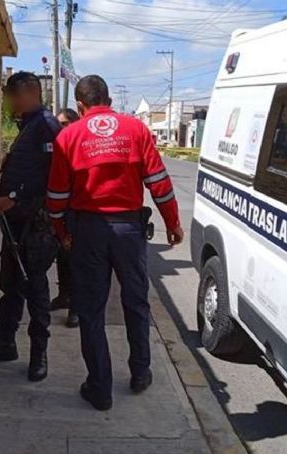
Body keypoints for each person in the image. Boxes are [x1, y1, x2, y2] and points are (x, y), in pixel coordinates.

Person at [45, 75, 185, 411]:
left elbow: (56, 196)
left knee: (90, 310)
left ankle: (100, 388)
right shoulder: (136, 130)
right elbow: (159, 182)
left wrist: (62, 231)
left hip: (88, 230)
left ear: (80, 105)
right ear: (108, 99)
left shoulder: (69, 136)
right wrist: (173, 222)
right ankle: (140, 372)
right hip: (128, 230)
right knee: (136, 302)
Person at [0, 72, 62, 382]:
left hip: (34, 225)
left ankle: (39, 353)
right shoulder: (28, 127)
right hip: (16, 225)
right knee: (9, 286)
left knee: (35, 288)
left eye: (11, 96)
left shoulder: (47, 127)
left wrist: (15, 197)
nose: (8, 103)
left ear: (28, 94)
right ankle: (4, 343)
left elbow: (55, 175)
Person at [50, 108, 80, 328]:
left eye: (64, 124)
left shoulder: (78, 147)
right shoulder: (56, 146)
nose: (59, 129)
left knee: (74, 262)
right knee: (61, 257)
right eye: (57, 124)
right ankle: (63, 296)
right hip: (56, 212)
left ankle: (75, 309)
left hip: (74, 211)